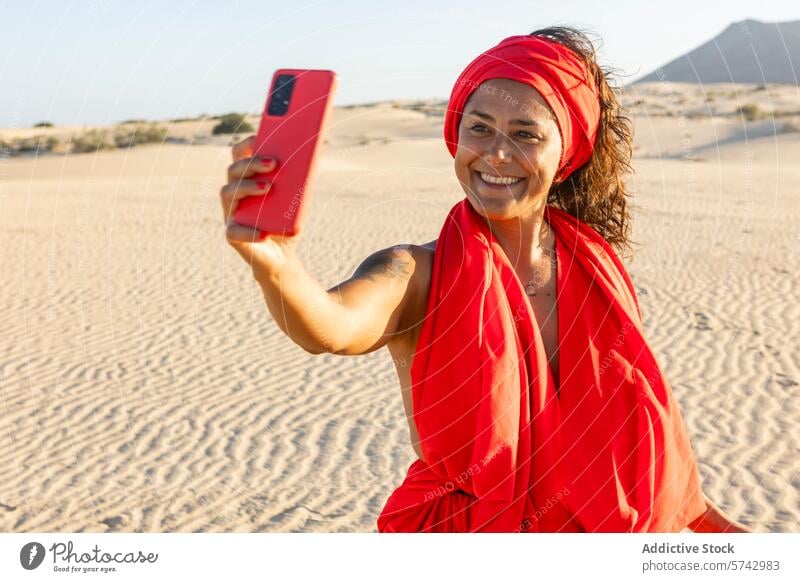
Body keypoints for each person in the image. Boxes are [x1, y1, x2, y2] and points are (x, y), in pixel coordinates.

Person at [219, 26, 751, 533]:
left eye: (525, 134)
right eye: (479, 127)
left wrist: (716, 527)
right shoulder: (416, 272)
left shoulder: (598, 267)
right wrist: (276, 263)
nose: (496, 153)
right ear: (456, 135)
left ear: (565, 156)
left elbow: (647, 448)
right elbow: (330, 327)